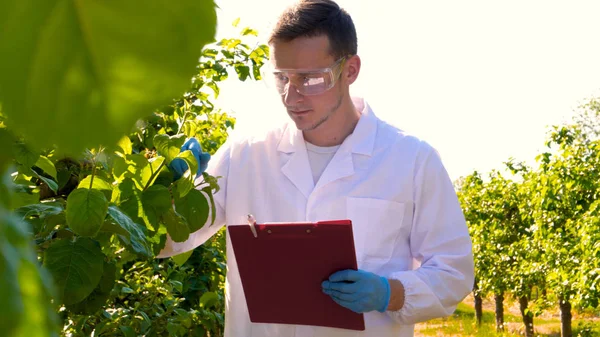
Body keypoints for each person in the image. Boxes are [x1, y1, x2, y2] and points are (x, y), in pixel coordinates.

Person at [158, 0, 475, 336]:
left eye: (310, 79)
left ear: (350, 70)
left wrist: (390, 293)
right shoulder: (244, 155)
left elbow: (453, 273)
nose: (291, 97)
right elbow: (170, 241)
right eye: (282, 78)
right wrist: (165, 194)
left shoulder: (412, 161)